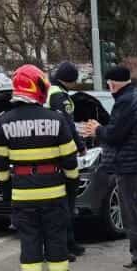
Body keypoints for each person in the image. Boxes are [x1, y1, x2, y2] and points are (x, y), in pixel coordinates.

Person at [0, 64, 78, 271]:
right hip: (54, 193)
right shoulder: (56, 119)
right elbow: (70, 159)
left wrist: (7, 192)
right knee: (57, 244)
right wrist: (71, 187)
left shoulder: (4, 122)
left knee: (29, 245)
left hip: (23, 195)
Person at [92, 65, 137, 271]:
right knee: (135, 212)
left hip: (128, 165)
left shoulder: (125, 101)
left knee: (132, 215)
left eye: (108, 83)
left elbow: (115, 134)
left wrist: (97, 130)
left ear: (112, 83)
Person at [48, 62, 88, 260]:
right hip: (63, 154)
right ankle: (66, 245)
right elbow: (67, 125)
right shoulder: (58, 95)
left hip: (50, 155)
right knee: (66, 202)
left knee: (62, 204)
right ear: (70, 79)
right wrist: (80, 146)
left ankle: (69, 242)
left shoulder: (48, 90)